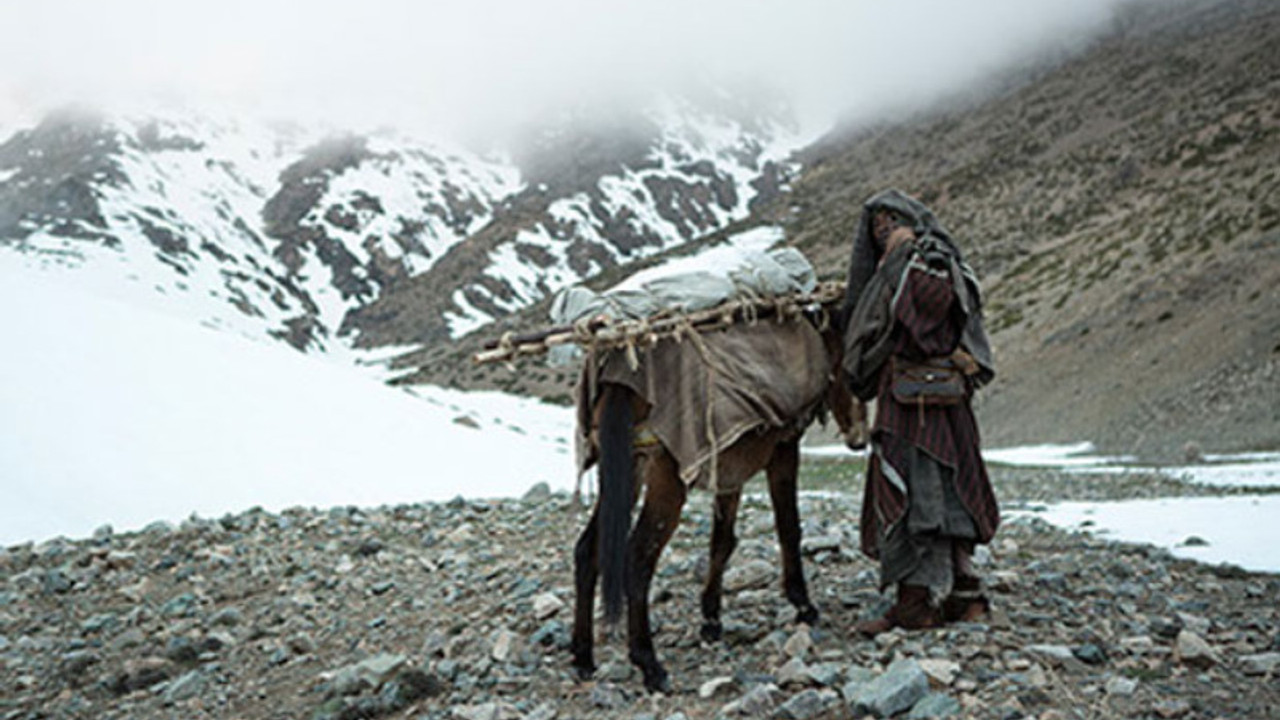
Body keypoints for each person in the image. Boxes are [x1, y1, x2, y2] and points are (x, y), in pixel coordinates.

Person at [838, 189, 999, 636]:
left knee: (915, 493)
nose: (884, 229)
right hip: (920, 397)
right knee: (942, 486)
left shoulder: (928, 260)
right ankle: (963, 597)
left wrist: (902, 255)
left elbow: (922, 313)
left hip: (918, 400)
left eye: (892, 219)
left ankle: (919, 605)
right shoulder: (908, 263)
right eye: (876, 225)